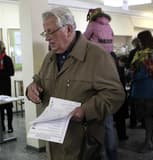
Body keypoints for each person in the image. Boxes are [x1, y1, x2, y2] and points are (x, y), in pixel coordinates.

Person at [26, 7, 125, 160]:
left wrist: (85, 110)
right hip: (54, 144)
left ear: (69, 29)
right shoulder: (50, 57)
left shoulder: (97, 55)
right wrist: (31, 89)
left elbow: (115, 94)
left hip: (83, 145)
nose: (47, 38)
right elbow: (39, 80)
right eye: (45, 32)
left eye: (51, 32)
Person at [84, 8, 119, 160]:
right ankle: (112, 156)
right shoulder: (109, 27)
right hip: (109, 65)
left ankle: (97, 155)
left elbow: (83, 42)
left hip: (94, 64)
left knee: (93, 123)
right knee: (109, 124)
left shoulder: (92, 25)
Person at [130, 30, 153, 153]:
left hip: (146, 88)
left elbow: (148, 72)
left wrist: (133, 75)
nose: (139, 42)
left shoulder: (148, 54)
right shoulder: (145, 53)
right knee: (146, 116)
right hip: (143, 88)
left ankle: (149, 141)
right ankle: (148, 140)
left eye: (140, 40)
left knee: (148, 116)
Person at [0, 40, 15, 133]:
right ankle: (2, 127)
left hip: (6, 87)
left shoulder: (7, 59)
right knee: (0, 109)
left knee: (8, 107)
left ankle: (10, 126)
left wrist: (1, 73)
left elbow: (12, 72)